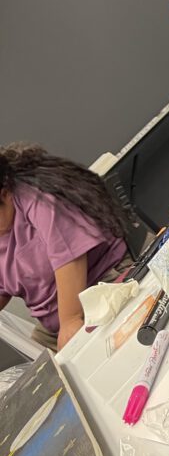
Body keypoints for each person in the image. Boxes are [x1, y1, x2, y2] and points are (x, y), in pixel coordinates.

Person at [0, 145, 131, 351]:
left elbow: (69, 257)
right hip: (54, 323)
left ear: (6, 194)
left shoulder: (37, 198)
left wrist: (70, 320)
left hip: (104, 285)